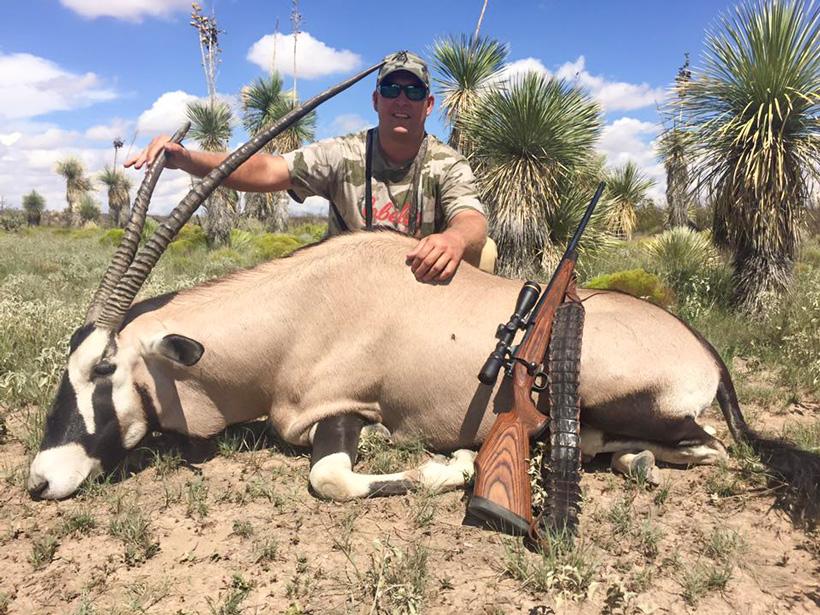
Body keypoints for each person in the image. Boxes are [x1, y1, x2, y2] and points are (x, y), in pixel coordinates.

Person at [127, 50, 490, 283]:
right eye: (392, 89)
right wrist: (186, 158)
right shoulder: (343, 152)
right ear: (376, 99)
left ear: (427, 105)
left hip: (417, 285)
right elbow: (268, 170)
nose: (401, 100)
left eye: (413, 92)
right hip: (343, 286)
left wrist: (453, 239)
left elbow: (472, 221)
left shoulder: (447, 162)